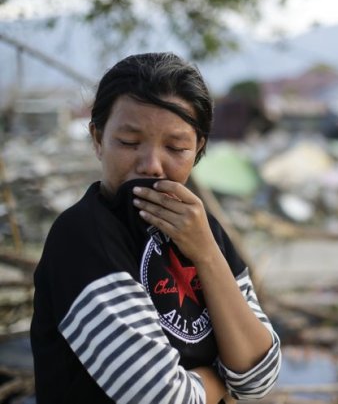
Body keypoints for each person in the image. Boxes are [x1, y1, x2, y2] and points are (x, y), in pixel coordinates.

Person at [30, 52, 281, 403]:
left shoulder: (201, 229)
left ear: (198, 150)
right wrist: (220, 379)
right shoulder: (83, 237)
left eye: (176, 147)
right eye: (129, 142)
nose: (151, 165)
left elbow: (259, 378)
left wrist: (207, 254)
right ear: (97, 139)